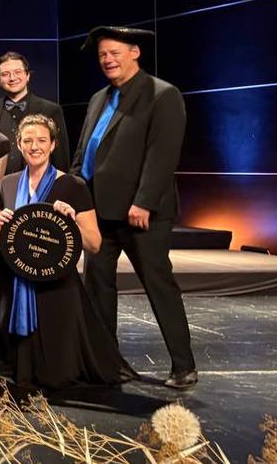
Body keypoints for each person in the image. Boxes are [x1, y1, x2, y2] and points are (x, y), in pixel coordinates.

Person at [72, 26, 194, 389]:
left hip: (141, 214)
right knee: (99, 289)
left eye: (115, 53)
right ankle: (110, 363)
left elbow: (162, 154)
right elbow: (85, 150)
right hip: (99, 211)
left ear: (135, 52)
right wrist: (77, 192)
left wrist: (143, 201)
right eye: (102, 55)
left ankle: (183, 366)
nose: (108, 60)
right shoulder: (99, 98)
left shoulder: (161, 94)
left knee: (158, 284)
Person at [0, 114, 129, 389]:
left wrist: (73, 221)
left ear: (53, 145)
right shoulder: (7, 184)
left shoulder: (73, 185)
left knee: (56, 378)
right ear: (19, 144)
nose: (35, 146)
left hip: (58, 288)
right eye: (28, 140)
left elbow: (94, 243)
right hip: (18, 283)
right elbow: (2, 240)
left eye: (42, 140)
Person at [0, 51, 69, 173]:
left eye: (17, 72)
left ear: (27, 75)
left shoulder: (50, 110)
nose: (12, 78)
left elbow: (60, 158)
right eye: (5, 74)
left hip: (41, 186)